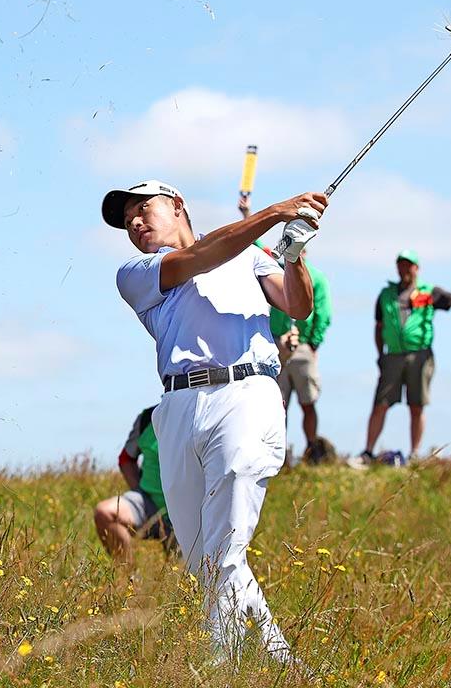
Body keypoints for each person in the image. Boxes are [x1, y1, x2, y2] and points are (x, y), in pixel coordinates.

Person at [102, 178, 325, 662]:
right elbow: (201, 258)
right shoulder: (136, 272)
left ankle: (220, 666)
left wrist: (294, 254)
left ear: (178, 204)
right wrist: (273, 214)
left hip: (246, 392)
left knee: (224, 548)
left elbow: (297, 305)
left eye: (143, 209)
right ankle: (283, 664)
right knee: (208, 561)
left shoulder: (250, 252)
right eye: (126, 221)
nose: (134, 222)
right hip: (178, 406)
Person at [239, 197, 332, 459]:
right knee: (277, 402)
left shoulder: (317, 277)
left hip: (301, 346)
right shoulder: (275, 265)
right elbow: (254, 242)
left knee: (308, 401)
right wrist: (247, 212)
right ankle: (278, 454)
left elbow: (322, 313)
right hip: (276, 344)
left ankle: (313, 450)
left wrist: (311, 343)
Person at [363, 249, 451, 459]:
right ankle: (368, 452)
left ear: (416, 268)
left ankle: (415, 453)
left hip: (420, 355)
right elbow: (379, 327)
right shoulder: (385, 294)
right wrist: (380, 355)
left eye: (408, 264)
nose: (404, 269)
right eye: (401, 264)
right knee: (380, 403)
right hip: (393, 356)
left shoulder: (429, 292)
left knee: (416, 406)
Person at [93, 406, 172, 565]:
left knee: (186, 575)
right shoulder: (147, 418)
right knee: (105, 513)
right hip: (147, 503)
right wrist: (138, 489)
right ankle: (129, 581)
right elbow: (126, 459)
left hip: (189, 509)